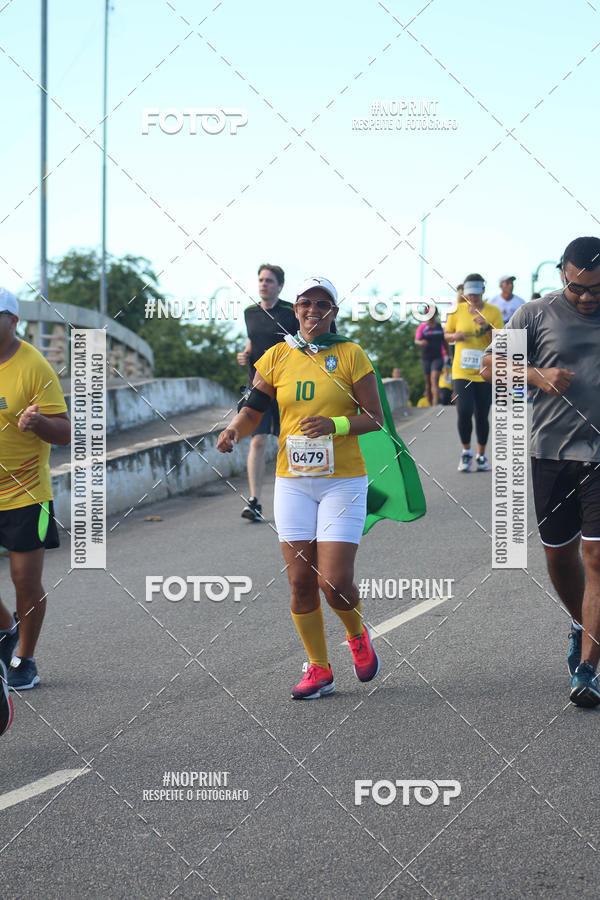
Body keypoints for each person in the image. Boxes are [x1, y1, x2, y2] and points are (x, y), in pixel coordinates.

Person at [218, 277, 384, 699]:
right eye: (306, 303)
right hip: (293, 483)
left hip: (342, 482)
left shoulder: (351, 354)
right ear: (296, 309)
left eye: (323, 304)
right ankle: (319, 669)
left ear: (334, 311)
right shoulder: (277, 355)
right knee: (300, 583)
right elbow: (253, 407)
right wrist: (234, 430)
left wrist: (336, 424)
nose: (313, 310)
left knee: (334, 582)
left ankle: (356, 634)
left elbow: (375, 417)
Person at [481, 236, 600, 708]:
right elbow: (490, 365)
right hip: (550, 453)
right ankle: (582, 622)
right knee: (559, 557)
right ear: (561, 275)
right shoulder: (535, 313)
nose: (588, 297)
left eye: (597, 289)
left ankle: (589, 668)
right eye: (578, 289)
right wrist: (537, 376)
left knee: (596, 557)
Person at [0, 288, 71, 690]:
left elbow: (64, 432)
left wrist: (38, 424)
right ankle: (8, 630)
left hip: (27, 493)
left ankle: (24, 658)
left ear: (12, 320)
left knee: (24, 579)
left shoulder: (33, 366)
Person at [236, 264, 297, 522]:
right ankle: (254, 501)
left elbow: (299, 342)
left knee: (291, 441)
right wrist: (245, 352)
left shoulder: (290, 312)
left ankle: (295, 498)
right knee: (258, 441)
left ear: (280, 285)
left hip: (288, 387)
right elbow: (254, 338)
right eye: (261, 280)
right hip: (258, 386)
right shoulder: (249, 312)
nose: (264, 284)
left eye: (269, 281)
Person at [444, 274, 503, 472]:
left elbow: (501, 340)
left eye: (477, 295)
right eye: (470, 295)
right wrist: (455, 336)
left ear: (483, 292)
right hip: (461, 371)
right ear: (465, 294)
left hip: (485, 371)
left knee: (481, 414)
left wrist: (486, 327)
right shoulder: (456, 310)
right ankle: (466, 453)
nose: (474, 298)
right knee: (464, 411)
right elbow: (446, 334)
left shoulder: (493, 311)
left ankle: (481, 455)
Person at [414, 306, 447, 405]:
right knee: (428, 383)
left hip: (438, 357)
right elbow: (416, 340)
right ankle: (430, 403)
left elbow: (444, 342)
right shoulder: (422, 327)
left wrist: (449, 356)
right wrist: (421, 342)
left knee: (434, 379)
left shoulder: (439, 327)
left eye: (432, 314)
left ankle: (436, 403)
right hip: (426, 358)